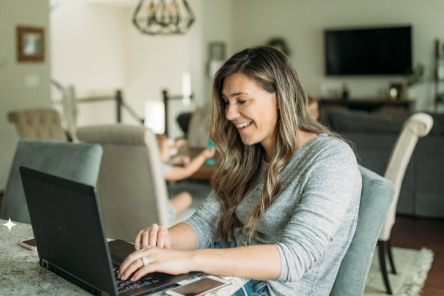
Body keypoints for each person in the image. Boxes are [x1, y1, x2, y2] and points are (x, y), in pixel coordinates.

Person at [118, 46, 362, 296]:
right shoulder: (248, 154)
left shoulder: (331, 158)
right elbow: (206, 223)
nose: (230, 114)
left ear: (279, 97)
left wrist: (187, 259)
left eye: (241, 101)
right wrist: (161, 242)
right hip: (228, 277)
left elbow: (294, 258)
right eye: (226, 102)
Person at [156, 133, 216, 221]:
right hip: (159, 212)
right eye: (167, 148)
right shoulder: (159, 167)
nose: (169, 151)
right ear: (158, 151)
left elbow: (163, 155)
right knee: (186, 197)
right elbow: (186, 171)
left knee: (169, 196)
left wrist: (174, 146)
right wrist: (204, 155)